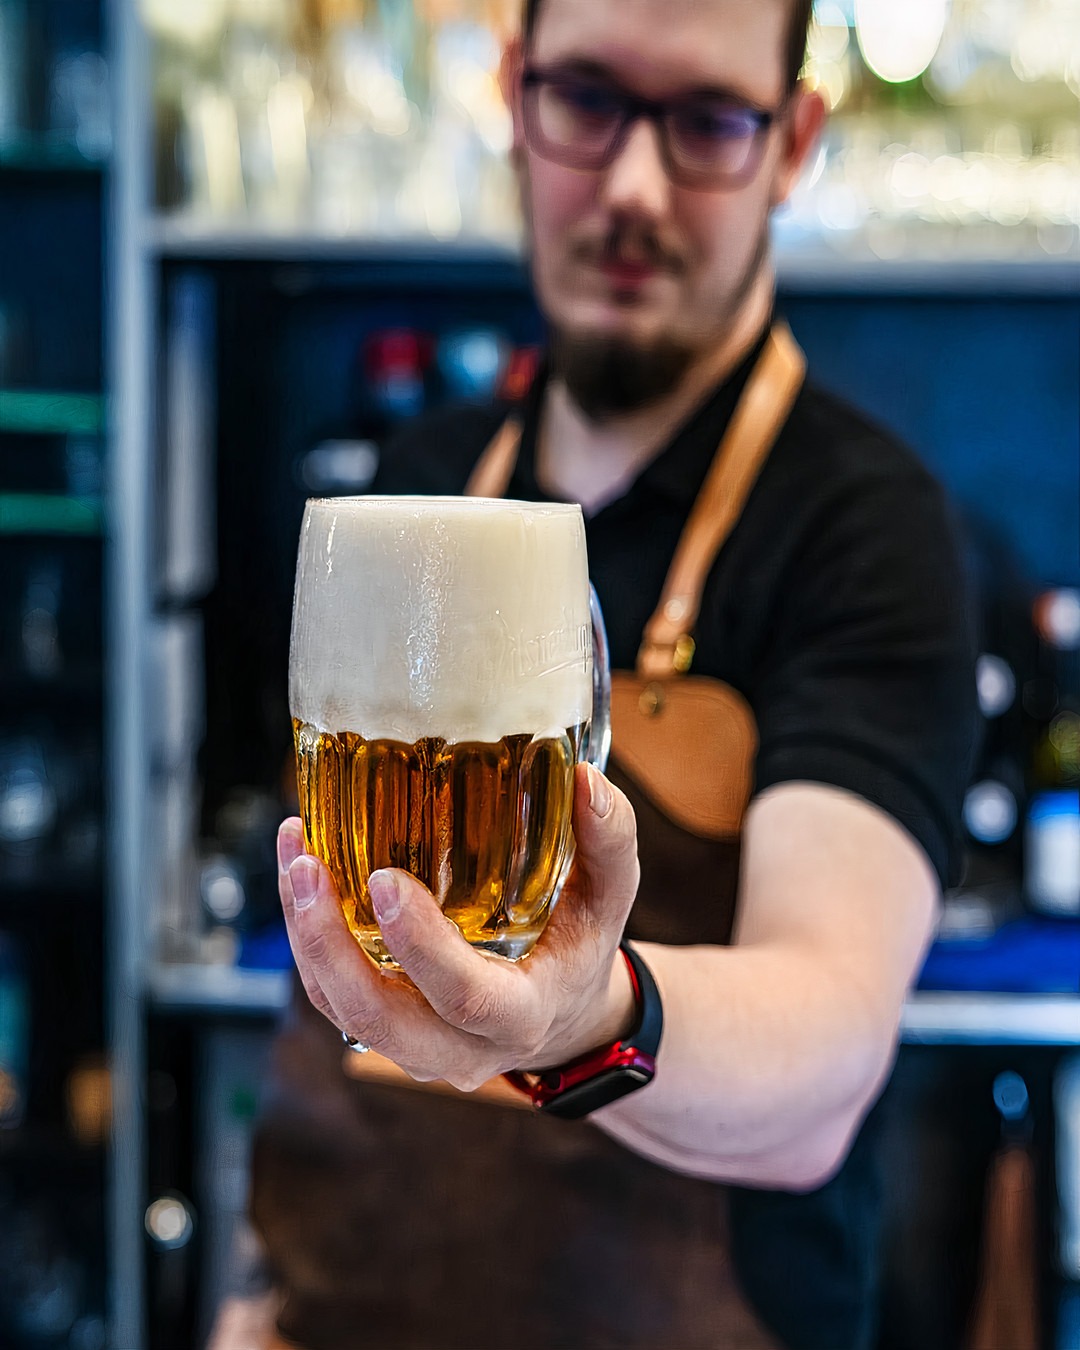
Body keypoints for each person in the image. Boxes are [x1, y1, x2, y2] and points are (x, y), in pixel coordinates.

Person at [253, 1, 977, 1346]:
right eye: (587, 99)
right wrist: (251, 1303)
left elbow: (827, 1051)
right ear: (514, 97)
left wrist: (587, 1016)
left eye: (706, 120)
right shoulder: (419, 484)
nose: (635, 187)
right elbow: (327, 973)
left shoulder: (866, 527)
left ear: (793, 141)